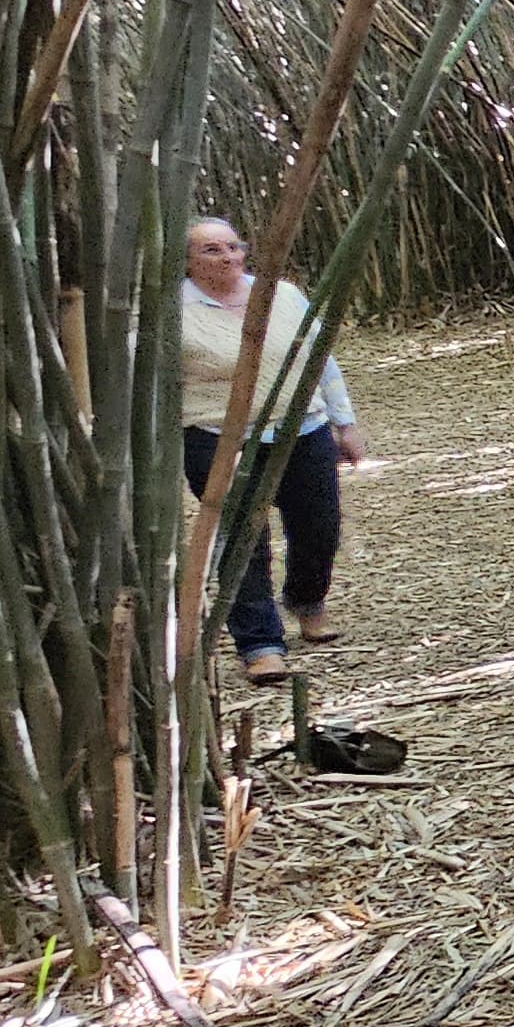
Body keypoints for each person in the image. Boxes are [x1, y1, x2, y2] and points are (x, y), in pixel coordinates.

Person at [179, 217, 366, 684]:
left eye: (233, 246)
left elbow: (321, 359)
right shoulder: (172, 309)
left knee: (319, 527)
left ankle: (307, 600)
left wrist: (345, 422)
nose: (227, 257)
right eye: (210, 250)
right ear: (186, 260)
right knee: (243, 538)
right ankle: (259, 642)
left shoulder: (282, 295)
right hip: (218, 436)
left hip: (303, 427)